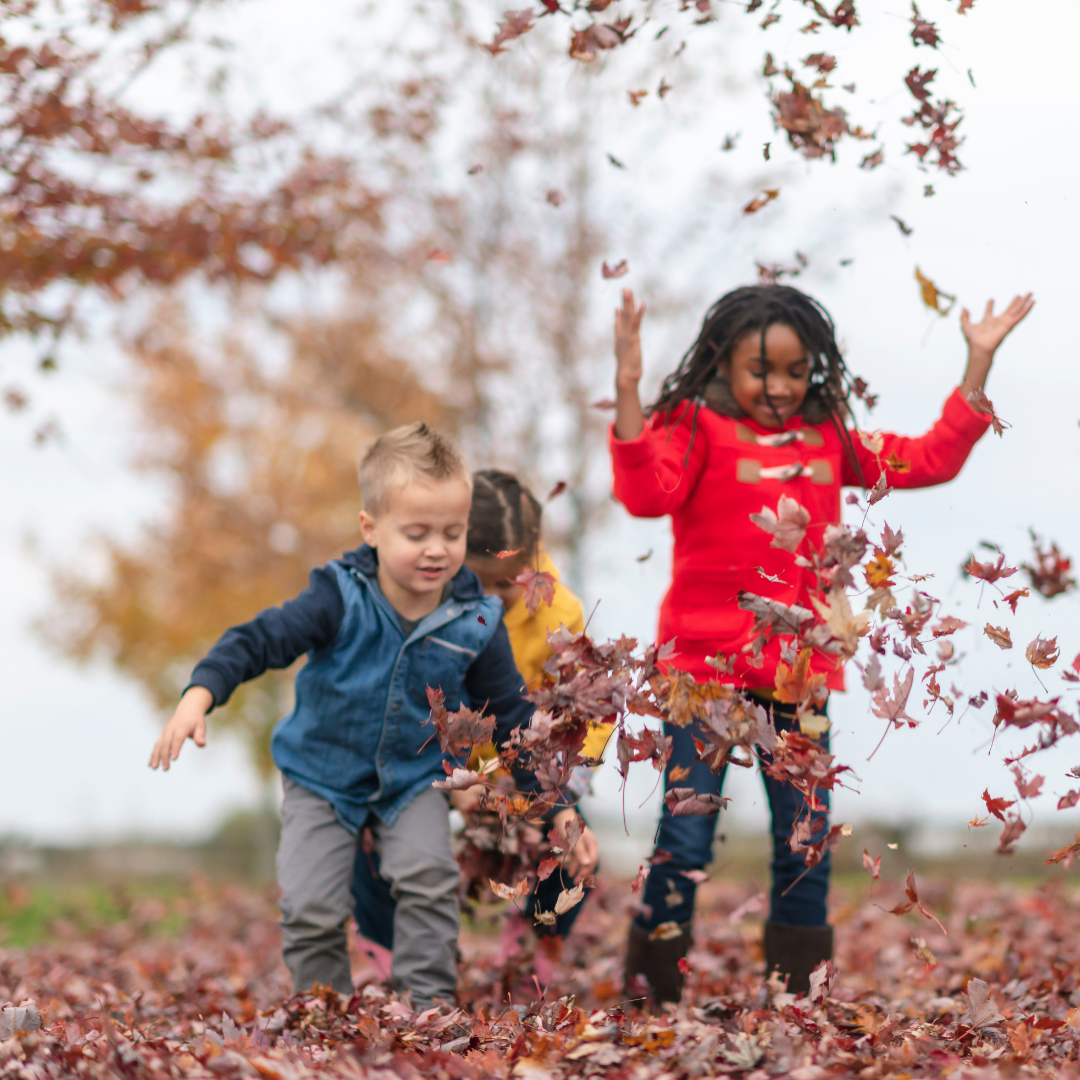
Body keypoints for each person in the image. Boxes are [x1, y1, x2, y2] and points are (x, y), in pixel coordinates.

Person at [608, 284, 1033, 1002]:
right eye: (759, 369)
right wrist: (627, 388)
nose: (778, 387)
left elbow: (929, 460)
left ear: (814, 370)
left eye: (795, 371)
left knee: (802, 845)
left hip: (798, 677)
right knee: (684, 844)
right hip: (701, 673)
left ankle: (797, 998)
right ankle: (651, 995)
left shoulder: (826, 436)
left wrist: (977, 365)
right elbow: (646, 495)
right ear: (725, 361)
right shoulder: (693, 425)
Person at [148, 422, 596, 1009]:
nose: (437, 548)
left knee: (428, 883)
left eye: (452, 532)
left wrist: (559, 810)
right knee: (311, 907)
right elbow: (259, 639)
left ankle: (429, 1011)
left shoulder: (477, 620)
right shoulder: (338, 595)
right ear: (372, 528)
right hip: (321, 776)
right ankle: (321, 1010)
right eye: (416, 533)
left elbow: (513, 718)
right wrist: (199, 695)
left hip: (413, 781)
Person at [350, 469, 604, 976]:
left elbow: (583, 718)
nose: (494, 596)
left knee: (574, 846)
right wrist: (456, 784)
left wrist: (557, 788)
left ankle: (529, 956)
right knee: (365, 834)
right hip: (438, 771)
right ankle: (396, 960)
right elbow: (397, 713)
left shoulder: (563, 614)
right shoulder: (415, 607)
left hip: (529, 773)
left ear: (535, 558)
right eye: (480, 583)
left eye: (508, 583)